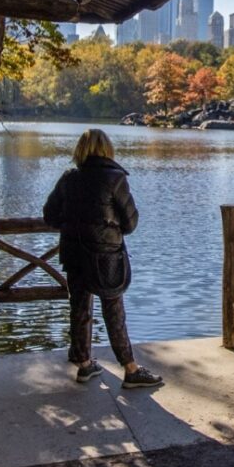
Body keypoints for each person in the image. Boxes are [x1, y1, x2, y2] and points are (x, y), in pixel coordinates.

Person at [41, 128, 163, 388]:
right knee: (114, 310)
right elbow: (130, 222)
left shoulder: (69, 178)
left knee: (79, 308)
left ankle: (84, 365)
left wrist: (73, 221)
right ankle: (130, 369)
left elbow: (49, 215)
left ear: (80, 150)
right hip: (106, 256)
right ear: (107, 150)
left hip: (74, 253)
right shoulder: (115, 178)